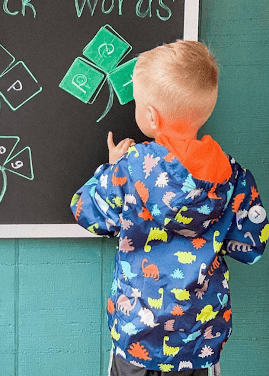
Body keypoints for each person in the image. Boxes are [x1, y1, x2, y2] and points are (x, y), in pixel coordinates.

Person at [70, 40, 268, 376]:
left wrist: (110, 167)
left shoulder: (130, 169)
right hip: (198, 342)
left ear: (150, 116)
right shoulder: (233, 176)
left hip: (136, 339)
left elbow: (86, 211)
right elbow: (251, 247)